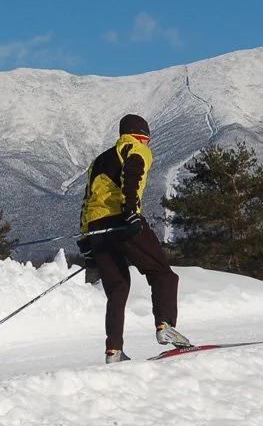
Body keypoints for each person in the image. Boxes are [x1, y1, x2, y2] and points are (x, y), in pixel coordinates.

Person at [77, 114, 191, 364]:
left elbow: (88, 199)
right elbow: (133, 177)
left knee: (117, 289)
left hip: (96, 229)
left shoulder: (98, 161)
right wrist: (131, 213)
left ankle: (113, 351)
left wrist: (86, 241)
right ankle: (165, 326)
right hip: (122, 222)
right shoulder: (136, 149)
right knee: (162, 274)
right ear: (143, 135)